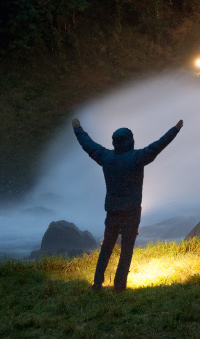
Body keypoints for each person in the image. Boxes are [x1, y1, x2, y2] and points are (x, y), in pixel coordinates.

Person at [72, 117, 183, 291]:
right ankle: (119, 285)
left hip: (112, 211)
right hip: (131, 212)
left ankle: (97, 283)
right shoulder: (137, 157)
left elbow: (88, 144)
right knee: (126, 250)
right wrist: (175, 129)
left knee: (106, 247)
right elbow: (159, 145)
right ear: (130, 140)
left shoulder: (106, 157)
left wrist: (77, 128)